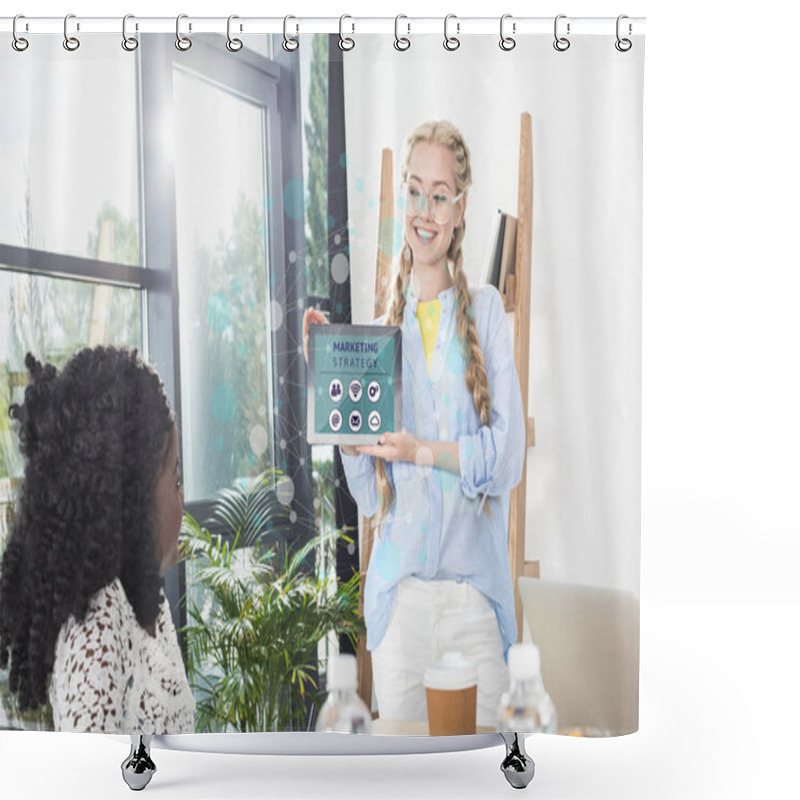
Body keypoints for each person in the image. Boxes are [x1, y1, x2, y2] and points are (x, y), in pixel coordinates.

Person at [303, 119, 526, 727]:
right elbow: (369, 496)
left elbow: (507, 460)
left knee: (485, 771)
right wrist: (335, 391)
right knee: (405, 782)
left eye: (439, 195)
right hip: (399, 604)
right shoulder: (380, 334)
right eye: (413, 192)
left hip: (474, 600)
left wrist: (423, 452)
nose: (424, 211)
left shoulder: (486, 313)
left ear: (459, 209)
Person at [0, 346, 195, 733]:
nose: (183, 497)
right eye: (174, 481)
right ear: (132, 501)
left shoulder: (142, 601)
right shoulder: (100, 626)